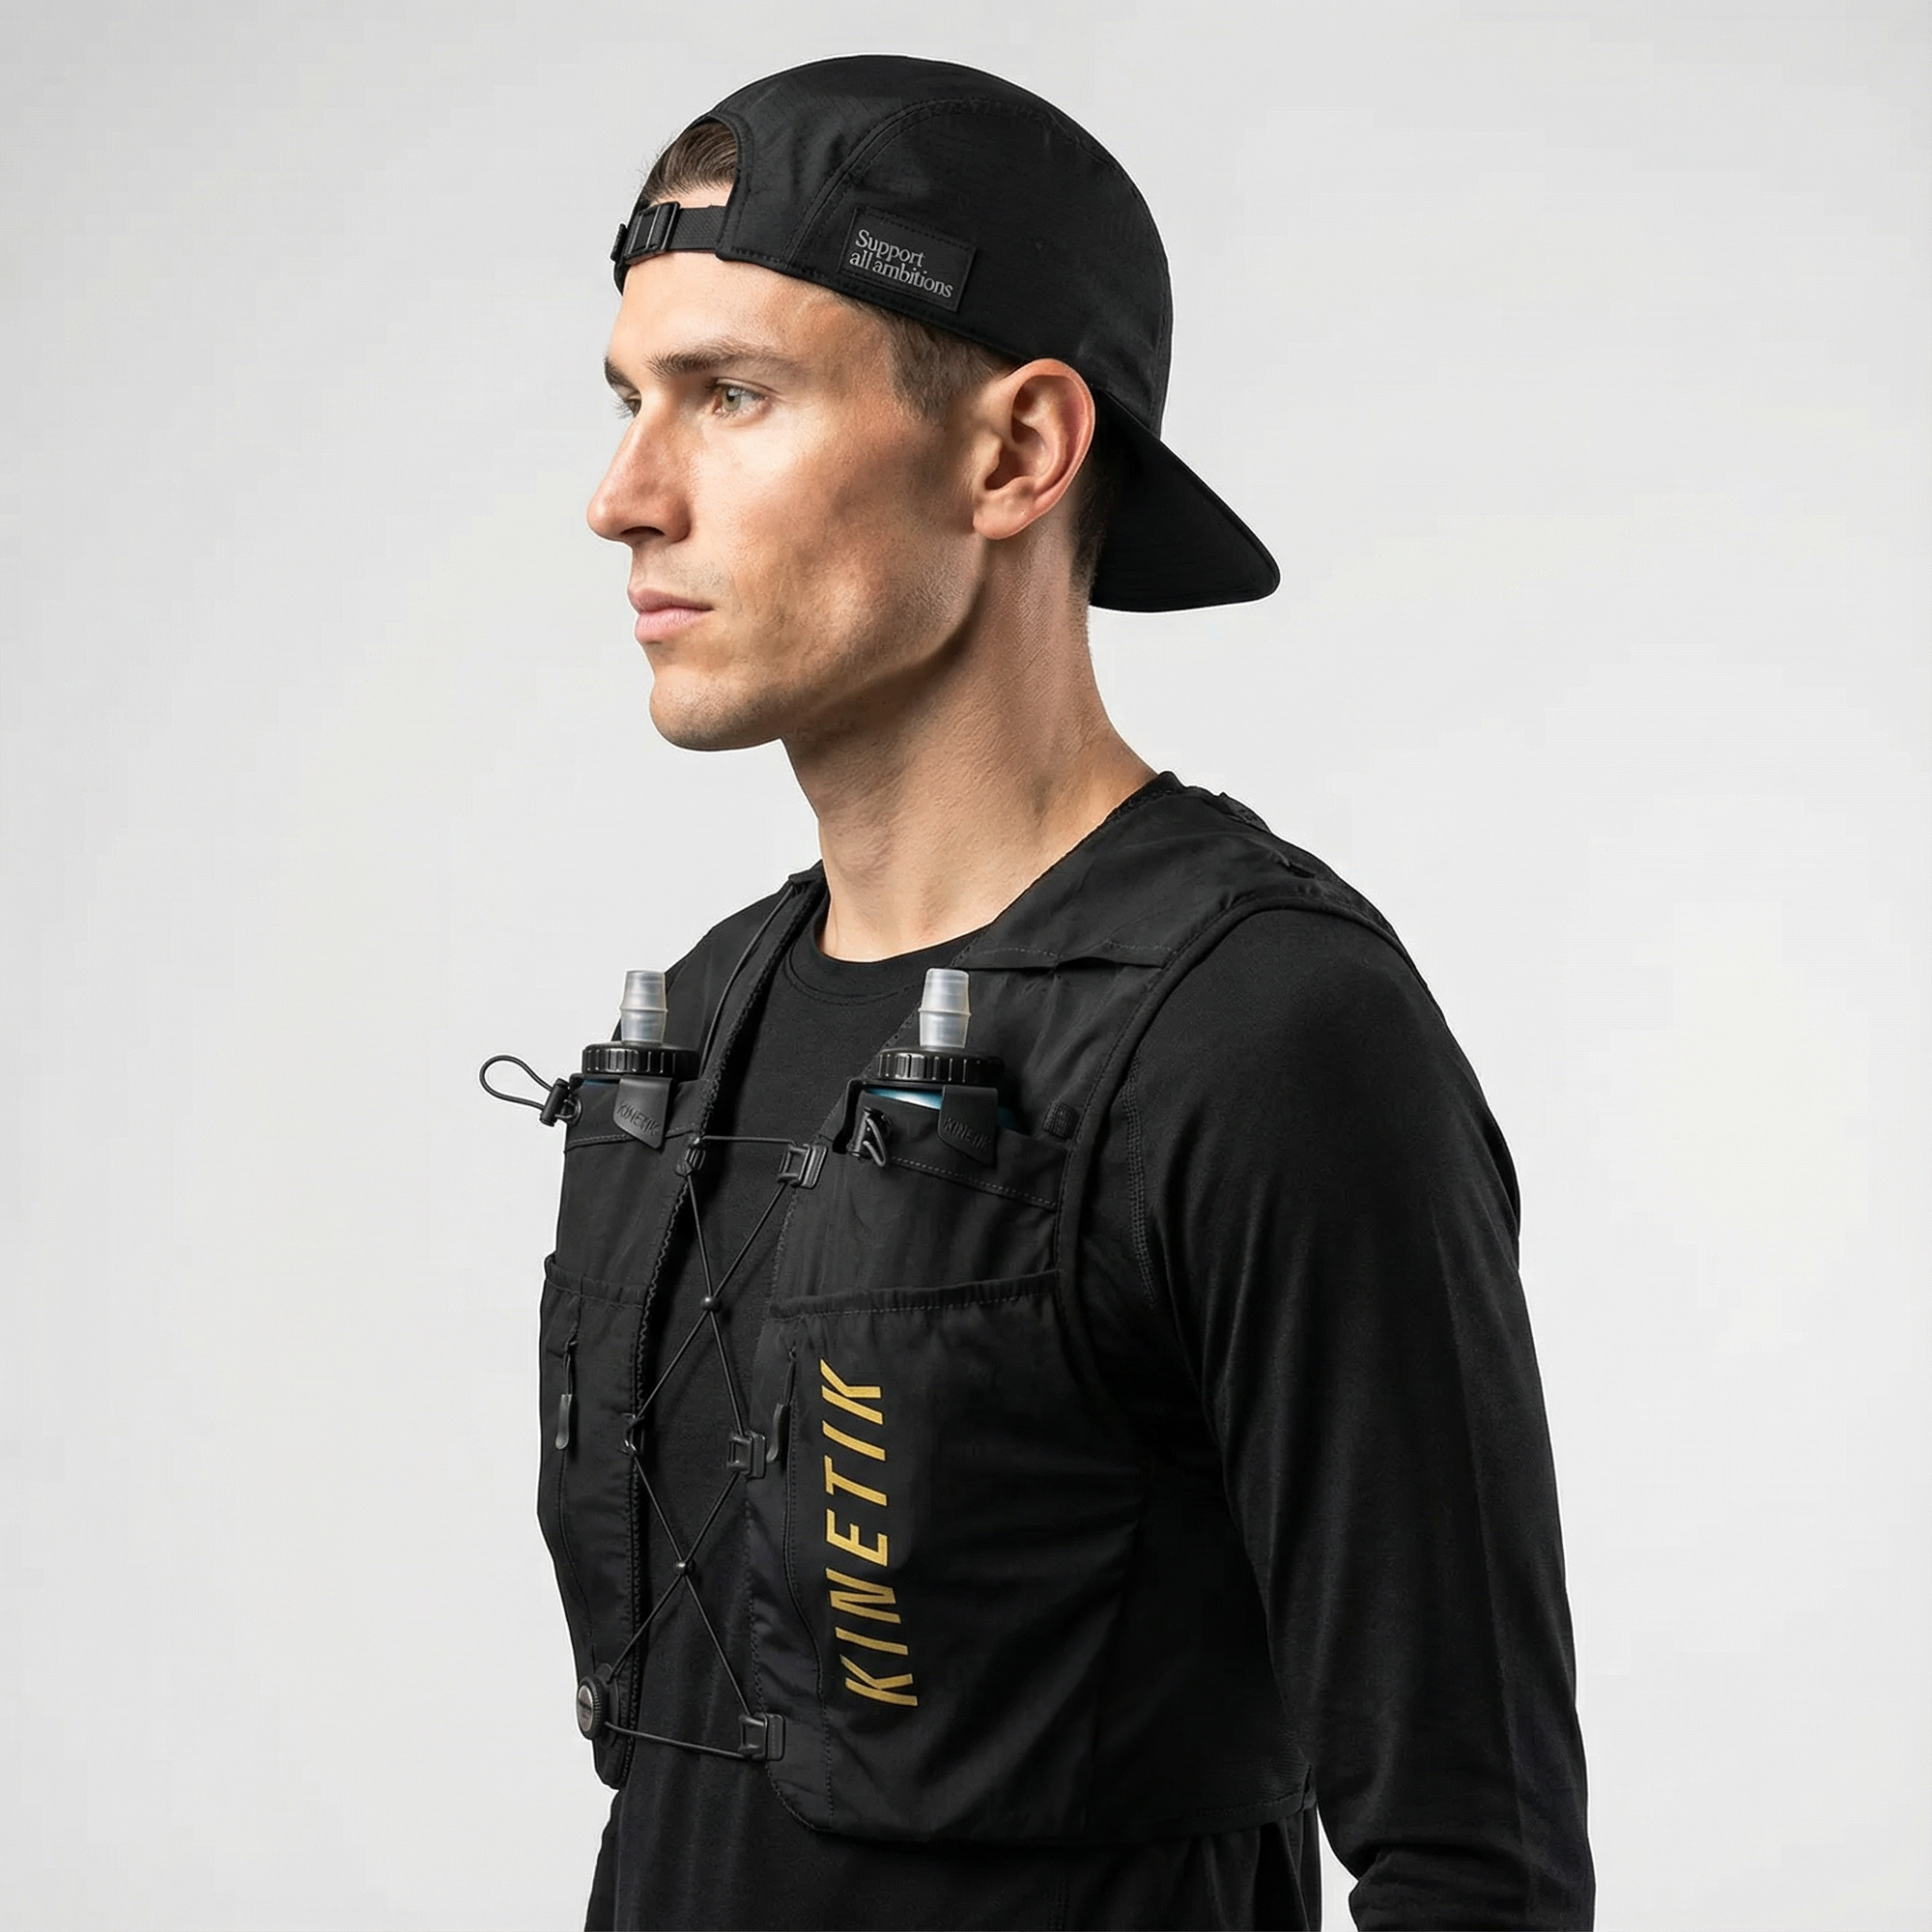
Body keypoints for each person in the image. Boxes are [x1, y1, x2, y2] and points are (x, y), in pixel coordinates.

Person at [537, 52, 1593, 1931]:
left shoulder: (1261, 1034)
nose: (624, 498)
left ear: (1017, 452)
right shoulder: (697, 1022)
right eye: (633, 400)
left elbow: (1474, 1859)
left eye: (734, 395)